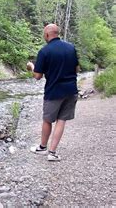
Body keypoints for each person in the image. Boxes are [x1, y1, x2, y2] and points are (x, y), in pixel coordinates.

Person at [26, 24, 79, 161]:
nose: (44, 37)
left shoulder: (44, 51)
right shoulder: (71, 48)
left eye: (44, 34)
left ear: (48, 34)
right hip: (71, 90)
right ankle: (52, 153)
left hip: (53, 92)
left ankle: (42, 147)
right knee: (61, 121)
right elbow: (77, 69)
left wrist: (31, 66)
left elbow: (37, 76)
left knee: (47, 120)